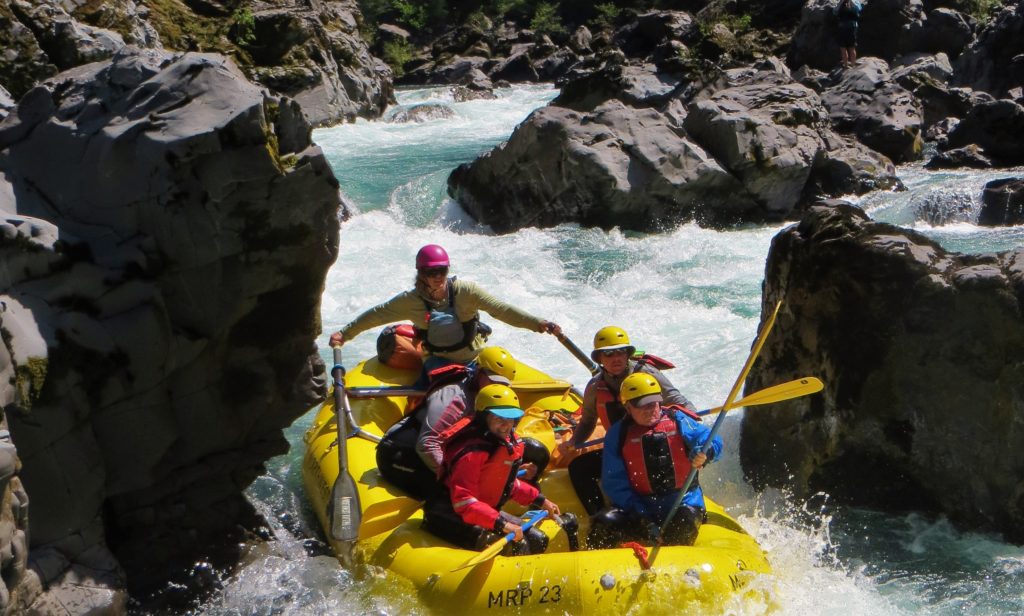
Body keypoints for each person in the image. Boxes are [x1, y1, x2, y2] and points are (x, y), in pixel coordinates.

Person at [328, 244, 562, 372]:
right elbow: (377, 315)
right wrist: (345, 334)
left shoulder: (466, 290)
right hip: (438, 362)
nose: (437, 277)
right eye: (431, 273)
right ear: (421, 274)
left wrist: (537, 323)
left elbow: (500, 309)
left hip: (474, 358)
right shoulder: (410, 300)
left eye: (442, 271)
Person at [556, 326, 697, 515]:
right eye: (608, 353)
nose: (616, 358)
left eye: (621, 352)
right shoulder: (596, 387)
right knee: (579, 467)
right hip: (621, 449)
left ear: (628, 354)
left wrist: (693, 430)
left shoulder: (648, 374)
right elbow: (588, 421)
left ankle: (685, 505)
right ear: (599, 359)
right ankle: (599, 515)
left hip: (655, 445)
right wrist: (574, 441)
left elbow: (680, 402)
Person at [422, 384, 564, 556]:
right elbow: (463, 501)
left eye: (510, 419)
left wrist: (541, 501)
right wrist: (500, 524)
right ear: (484, 418)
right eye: (499, 419)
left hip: (483, 512)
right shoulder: (471, 452)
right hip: (448, 514)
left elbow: (505, 484)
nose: (506, 426)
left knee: (538, 539)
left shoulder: (504, 443)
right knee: (514, 545)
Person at [587, 372, 722, 549]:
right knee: (602, 523)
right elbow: (615, 483)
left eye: (653, 403)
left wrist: (705, 451)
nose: (650, 409)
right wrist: (642, 518)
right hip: (639, 507)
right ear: (628, 407)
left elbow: (710, 438)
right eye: (642, 406)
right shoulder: (618, 434)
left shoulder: (678, 419)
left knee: (681, 527)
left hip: (683, 502)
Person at [376, 346, 518, 500]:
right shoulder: (454, 397)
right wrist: (455, 478)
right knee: (455, 497)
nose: (496, 386)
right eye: (492, 379)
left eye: (503, 384)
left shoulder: (493, 398)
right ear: (478, 370)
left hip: (438, 452)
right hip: (402, 454)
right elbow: (427, 444)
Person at [835, 0, 863, 68]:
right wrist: (841, 2)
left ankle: (853, 64)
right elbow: (835, 12)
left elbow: (858, 9)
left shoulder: (855, 2)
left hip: (852, 27)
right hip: (842, 27)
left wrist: (851, 1)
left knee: (851, 47)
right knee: (843, 48)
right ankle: (846, 65)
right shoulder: (841, 3)